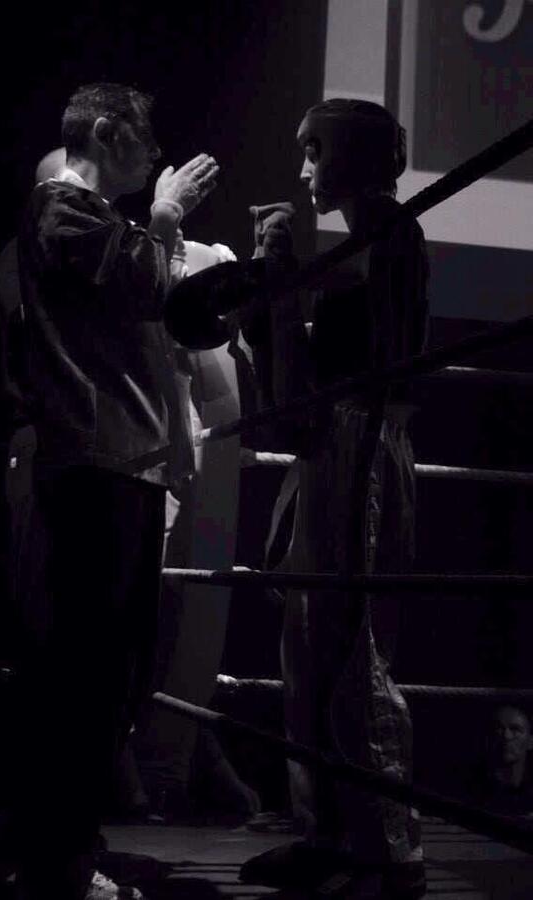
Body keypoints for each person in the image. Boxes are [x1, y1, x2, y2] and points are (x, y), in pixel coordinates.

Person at [166, 98, 429, 898]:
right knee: (308, 651)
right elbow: (299, 388)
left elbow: (361, 377)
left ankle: (386, 849)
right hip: (332, 450)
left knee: (351, 650)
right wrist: (275, 286)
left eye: (318, 150)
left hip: (360, 447)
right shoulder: (360, 245)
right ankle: (329, 834)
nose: (306, 169)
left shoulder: (391, 236)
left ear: (357, 155)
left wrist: (279, 284)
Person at [9, 82, 218, 900]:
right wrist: (165, 217)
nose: (157, 152)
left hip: (119, 459)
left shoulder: (88, 218)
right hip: (99, 460)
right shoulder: (62, 208)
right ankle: (61, 860)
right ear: (105, 132)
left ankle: (63, 850)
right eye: (145, 135)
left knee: (105, 671)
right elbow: (152, 292)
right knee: (90, 673)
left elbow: (159, 311)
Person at [463, 705, 533, 819]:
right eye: (498, 728)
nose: (506, 736)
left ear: (530, 741)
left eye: (515, 729)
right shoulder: (469, 787)